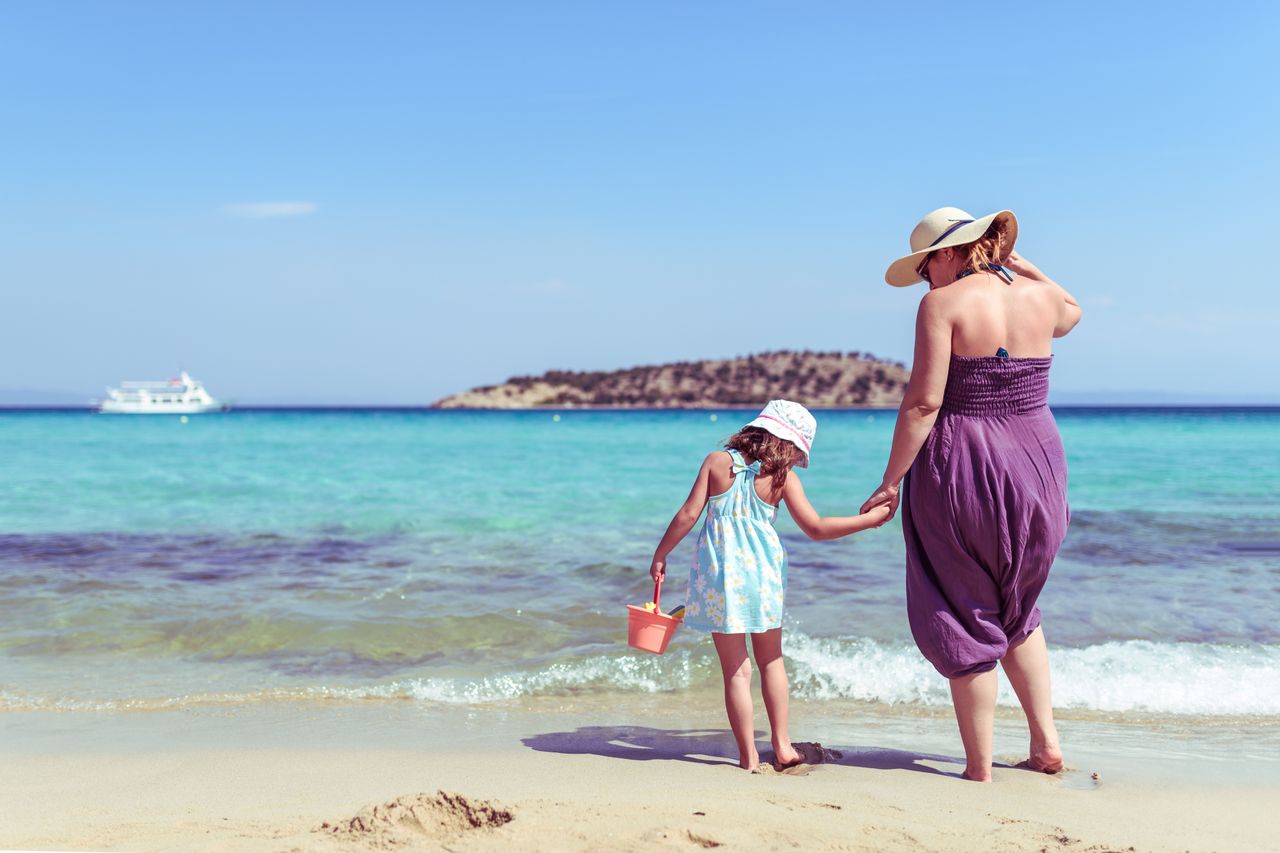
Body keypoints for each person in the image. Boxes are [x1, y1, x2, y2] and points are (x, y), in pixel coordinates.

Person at [862, 207, 1082, 782]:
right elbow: (1073, 311)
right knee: (1020, 610)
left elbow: (923, 404)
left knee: (965, 607)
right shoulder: (1041, 299)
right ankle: (1046, 744)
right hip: (1039, 466)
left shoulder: (942, 304)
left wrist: (890, 482)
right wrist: (1016, 261)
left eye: (924, 265)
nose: (923, 279)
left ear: (948, 253)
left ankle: (979, 768)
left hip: (964, 463)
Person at [650, 400, 890, 771]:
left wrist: (661, 553)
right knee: (771, 660)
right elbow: (817, 528)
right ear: (788, 444)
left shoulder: (717, 462)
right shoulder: (783, 479)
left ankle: (747, 758)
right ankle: (781, 747)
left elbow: (687, 515)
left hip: (720, 580)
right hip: (763, 578)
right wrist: (870, 521)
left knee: (736, 671)